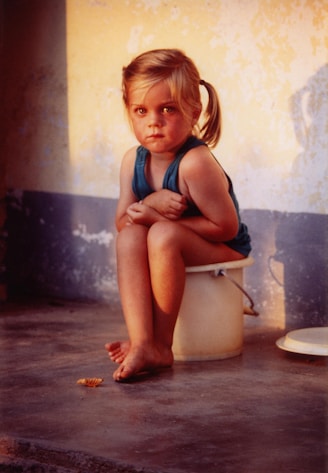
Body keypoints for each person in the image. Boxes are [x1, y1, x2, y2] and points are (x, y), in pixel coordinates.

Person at [105, 49, 251, 382]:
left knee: (162, 234)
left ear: (193, 111)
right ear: (129, 112)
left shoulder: (194, 163)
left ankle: (161, 346)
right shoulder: (133, 161)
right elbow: (122, 223)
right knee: (129, 237)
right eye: (141, 110)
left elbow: (226, 227)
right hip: (174, 242)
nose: (153, 121)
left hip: (223, 247)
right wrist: (153, 203)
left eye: (167, 109)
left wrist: (158, 220)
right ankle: (143, 341)